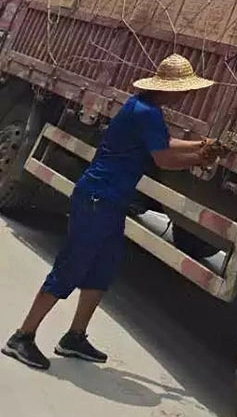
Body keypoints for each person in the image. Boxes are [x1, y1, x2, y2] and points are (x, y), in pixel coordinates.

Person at [3, 54, 223, 371]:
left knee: (103, 267)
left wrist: (201, 145)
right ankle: (22, 336)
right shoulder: (146, 112)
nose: (187, 96)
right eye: (184, 90)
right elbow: (163, 158)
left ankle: (74, 337)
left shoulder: (147, 109)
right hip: (98, 197)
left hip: (110, 199)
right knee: (72, 266)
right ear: (171, 89)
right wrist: (200, 158)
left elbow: (163, 142)